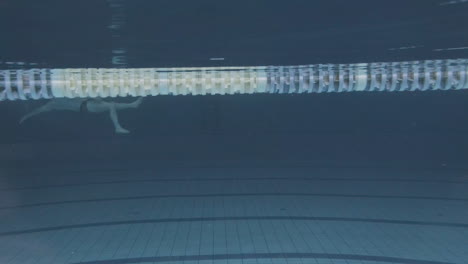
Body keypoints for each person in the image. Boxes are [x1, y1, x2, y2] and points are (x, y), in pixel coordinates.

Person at [19, 97, 143, 134]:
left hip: (85, 107)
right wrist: (26, 116)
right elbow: (37, 110)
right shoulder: (54, 102)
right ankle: (117, 127)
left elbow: (37, 111)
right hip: (85, 107)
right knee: (110, 105)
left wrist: (26, 117)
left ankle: (132, 105)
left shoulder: (52, 103)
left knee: (110, 104)